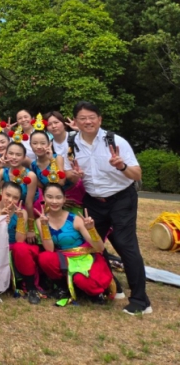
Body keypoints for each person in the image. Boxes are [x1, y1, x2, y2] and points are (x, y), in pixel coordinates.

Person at [70, 101, 150, 315]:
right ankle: (113, 285)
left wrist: (121, 166)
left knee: (125, 244)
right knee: (92, 243)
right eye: (82, 118)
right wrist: (73, 175)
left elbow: (137, 174)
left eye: (92, 117)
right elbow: (68, 174)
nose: (88, 122)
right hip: (93, 201)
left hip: (121, 198)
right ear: (76, 121)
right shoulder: (72, 144)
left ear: (100, 119)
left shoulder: (115, 141)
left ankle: (141, 301)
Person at [37, 183, 115, 306]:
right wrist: (45, 227)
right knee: (45, 257)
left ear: (64, 199)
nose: (54, 201)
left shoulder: (75, 219)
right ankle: (63, 288)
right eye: (50, 197)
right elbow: (50, 249)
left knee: (83, 281)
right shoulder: (41, 221)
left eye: (58, 197)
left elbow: (99, 248)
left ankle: (89, 291)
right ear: (44, 198)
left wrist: (91, 229)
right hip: (64, 259)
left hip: (85, 258)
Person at [0, 182, 42, 304]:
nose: (11, 200)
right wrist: (0, 218)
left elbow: (20, 240)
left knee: (21, 247)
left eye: (15, 197)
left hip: (13, 246)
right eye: (8, 195)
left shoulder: (22, 212)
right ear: (1, 192)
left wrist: (20, 219)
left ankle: (31, 288)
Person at [0, 142, 37, 236]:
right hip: (5, 208)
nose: (14, 157)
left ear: (24, 157)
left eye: (18, 155)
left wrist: (31, 228)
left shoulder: (30, 175)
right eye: (11, 153)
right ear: (6, 155)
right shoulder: (3, 171)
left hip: (23, 212)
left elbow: (28, 203)